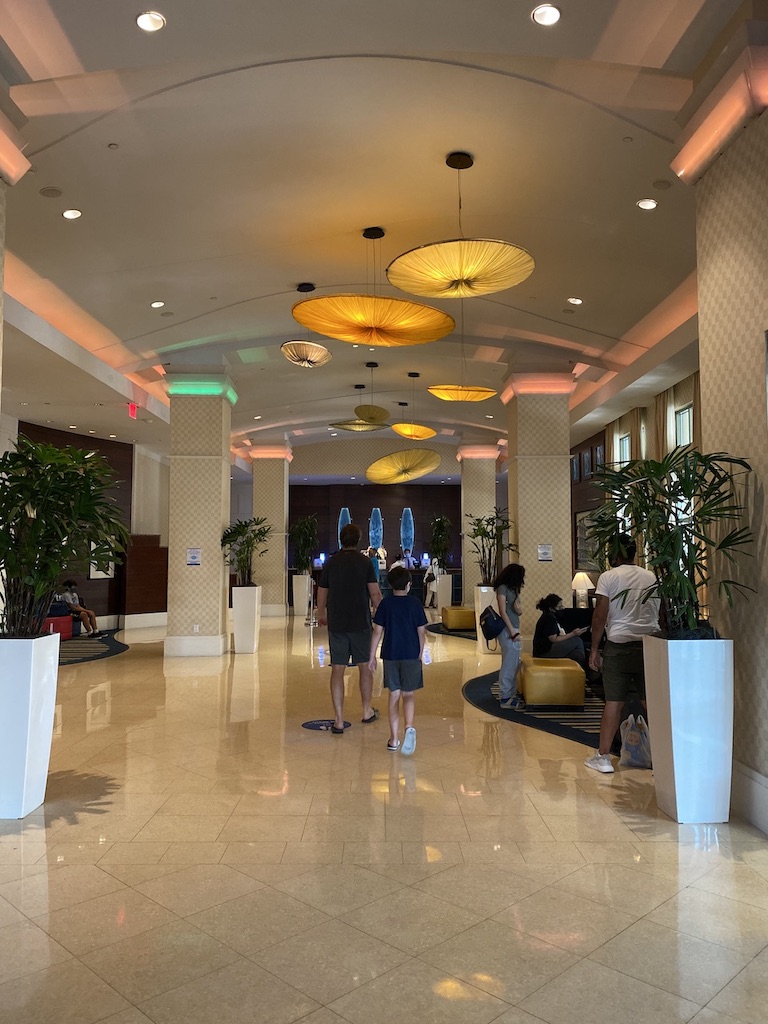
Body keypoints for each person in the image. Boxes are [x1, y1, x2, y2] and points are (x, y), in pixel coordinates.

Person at [585, 533, 660, 774]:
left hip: (618, 646)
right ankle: (663, 755)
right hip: (649, 645)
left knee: (614, 703)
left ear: (613, 553)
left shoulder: (609, 577)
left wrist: (595, 648)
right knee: (652, 704)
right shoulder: (651, 576)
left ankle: (603, 757)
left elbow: (600, 615)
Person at [317, 523, 382, 733]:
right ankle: (366, 711)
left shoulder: (331, 562)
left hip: (337, 622)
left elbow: (322, 590)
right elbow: (374, 593)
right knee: (365, 666)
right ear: (358, 540)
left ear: (341, 539)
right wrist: (381, 615)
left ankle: (338, 719)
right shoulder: (365, 563)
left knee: (337, 668)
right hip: (360, 622)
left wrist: (321, 613)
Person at [368, 566, 427, 755]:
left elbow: (377, 632)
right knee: (408, 694)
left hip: (391, 654)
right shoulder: (415, 604)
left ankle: (394, 740)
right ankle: (409, 727)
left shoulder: (385, 605)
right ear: (409, 585)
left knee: (394, 695)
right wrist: (420, 652)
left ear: (390, 584)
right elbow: (421, 632)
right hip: (411, 654)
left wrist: (371, 657)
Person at [492, 563, 526, 709]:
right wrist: (512, 630)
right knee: (509, 663)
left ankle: (510, 694)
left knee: (514, 663)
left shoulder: (514, 590)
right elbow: (502, 611)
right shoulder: (502, 588)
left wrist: (518, 610)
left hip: (514, 627)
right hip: (508, 629)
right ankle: (505, 696)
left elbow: (518, 611)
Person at [533, 594, 587, 668]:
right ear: (551, 608)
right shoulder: (549, 618)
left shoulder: (550, 616)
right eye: (559, 607)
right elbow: (553, 639)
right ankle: (586, 672)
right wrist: (573, 634)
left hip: (544, 650)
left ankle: (581, 674)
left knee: (578, 654)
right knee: (577, 641)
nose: (562, 608)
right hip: (544, 652)